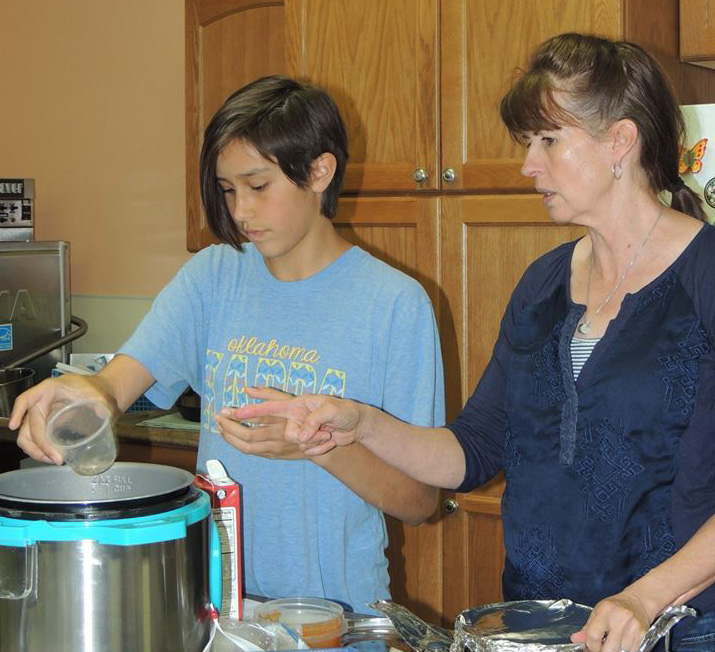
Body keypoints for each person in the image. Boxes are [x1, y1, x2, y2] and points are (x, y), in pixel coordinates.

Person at [229, 34, 715, 652]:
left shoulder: (705, 277)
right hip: (537, 627)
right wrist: (357, 424)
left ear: (619, 142)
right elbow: (474, 450)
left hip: (677, 629)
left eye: (548, 141)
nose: (527, 165)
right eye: (527, 144)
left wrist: (645, 598)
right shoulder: (544, 284)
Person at [9, 75, 445, 613]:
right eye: (228, 189)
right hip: (217, 603)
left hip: (338, 615)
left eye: (259, 186)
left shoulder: (395, 304)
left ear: (319, 171)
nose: (240, 211)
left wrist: (318, 446)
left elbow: (419, 501)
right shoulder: (214, 277)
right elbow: (115, 383)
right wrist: (87, 396)